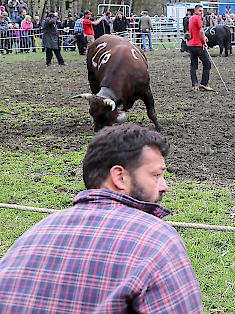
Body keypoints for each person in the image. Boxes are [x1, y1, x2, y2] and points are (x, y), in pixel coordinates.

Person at [0, 124, 203, 312]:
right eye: (156, 175)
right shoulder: (158, 240)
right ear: (120, 177)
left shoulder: (33, 234)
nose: (163, 185)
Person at [187, 4, 213, 91]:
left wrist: (202, 37)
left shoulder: (191, 18)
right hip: (198, 45)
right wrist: (204, 42)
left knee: (193, 65)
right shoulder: (198, 18)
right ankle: (203, 83)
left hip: (191, 45)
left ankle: (194, 84)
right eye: (200, 11)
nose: (202, 13)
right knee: (207, 63)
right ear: (196, 11)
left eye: (202, 11)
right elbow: (201, 31)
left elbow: (194, 32)